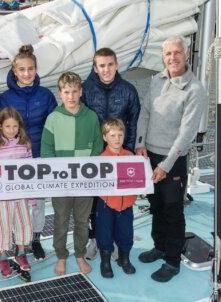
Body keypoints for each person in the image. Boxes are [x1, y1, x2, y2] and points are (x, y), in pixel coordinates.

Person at [135, 35, 206, 282]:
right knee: (155, 207)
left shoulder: (195, 90)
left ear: (186, 54)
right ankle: (160, 246)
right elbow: (145, 112)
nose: (172, 58)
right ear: (163, 57)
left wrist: (164, 166)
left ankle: (173, 261)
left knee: (172, 211)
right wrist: (140, 142)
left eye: (177, 53)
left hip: (172, 160)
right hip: (149, 155)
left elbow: (186, 134)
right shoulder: (156, 80)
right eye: (168, 54)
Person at [0, 44, 57, 260]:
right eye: (21, 70)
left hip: (39, 155)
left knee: (38, 202)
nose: (26, 73)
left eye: (30, 69)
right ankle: (18, 241)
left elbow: (54, 126)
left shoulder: (46, 95)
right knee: (17, 203)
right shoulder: (5, 98)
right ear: (15, 71)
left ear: (36, 69)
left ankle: (36, 239)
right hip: (14, 160)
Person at [41, 71, 103, 276]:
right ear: (60, 93)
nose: (71, 96)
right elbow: (47, 151)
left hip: (85, 181)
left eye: (74, 91)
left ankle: (79, 253)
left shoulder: (91, 117)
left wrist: (87, 170)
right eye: (66, 92)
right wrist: (59, 172)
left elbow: (97, 147)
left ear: (81, 92)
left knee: (82, 220)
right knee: (60, 219)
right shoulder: (53, 118)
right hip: (61, 182)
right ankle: (61, 255)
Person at [82, 47, 141, 260]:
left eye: (109, 65)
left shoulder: (128, 90)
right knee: (95, 203)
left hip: (120, 155)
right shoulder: (85, 89)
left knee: (117, 202)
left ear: (116, 65)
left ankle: (116, 241)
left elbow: (133, 124)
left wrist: (130, 156)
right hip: (95, 156)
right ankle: (94, 239)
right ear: (95, 68)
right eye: (101, 66)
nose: (106, 69)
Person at [0, 107, 33, 278]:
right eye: (7, 126)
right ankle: (3, 256)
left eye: (15, 126)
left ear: (19, 127)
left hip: (21, 194)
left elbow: (31, 170)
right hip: (3, 196)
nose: (11, 130)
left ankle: (21, 253)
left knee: (23, 222)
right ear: (0, 127)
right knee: (3, 224)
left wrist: (32, 195)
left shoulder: (25, 144)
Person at [96, 118, 137, 278]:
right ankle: (105, 261)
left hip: (126, 205)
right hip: (107, 205)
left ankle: (124, 258)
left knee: (126, 233)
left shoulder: (131, 156)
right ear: (105, 137)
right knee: (104, 233)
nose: (117, 139)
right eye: (112, 135)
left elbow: (137, 180)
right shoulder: (100, 160)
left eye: (120, 135)